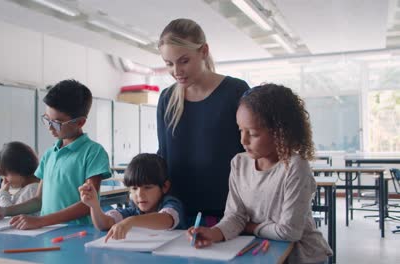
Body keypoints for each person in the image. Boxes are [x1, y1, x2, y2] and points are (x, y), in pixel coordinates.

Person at [187, 84, 333, 263]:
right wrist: (214, 233)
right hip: (263, 252)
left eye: (253, 134)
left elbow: (289, 232)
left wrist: (250, 227)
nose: (243, 140)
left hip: (302, 257)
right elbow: (235, 216)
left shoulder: (295, 167)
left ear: (281, 132)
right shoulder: (239, 163)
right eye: (240, 130)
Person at [157, 18, 250, 225]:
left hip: (229, 212)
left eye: (184, 61)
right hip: (177, 212)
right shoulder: (166, 98)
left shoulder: (236, 91)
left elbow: (250, 152)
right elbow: (163, 155)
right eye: (169, 64)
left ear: (204, 51)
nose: (177, 71)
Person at [0, 79, 111, 229]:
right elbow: (38, 200)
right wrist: (5, 210)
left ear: (80, 122)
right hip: (48, 231)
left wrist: (41, 221)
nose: (50, 128)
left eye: (57, 123)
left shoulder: (93, 153)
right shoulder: (50, 154)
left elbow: (88, 204)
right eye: (47, 119)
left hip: (78, 233)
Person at [79, 153, 186, 242]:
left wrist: (131, 221)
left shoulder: (171, 203)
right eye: (134, 188)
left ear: (165, 187)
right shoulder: (134, 210)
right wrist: (94, 206)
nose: (139, 194)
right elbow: (104, 224)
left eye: (147, 187)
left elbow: (166, 219)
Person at [0, 141, 40, 207]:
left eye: (5, 175)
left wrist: (3, 194)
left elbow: (9, 214)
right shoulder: (27, 189)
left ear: (19, 169)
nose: (4, 180)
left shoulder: (32, 190)